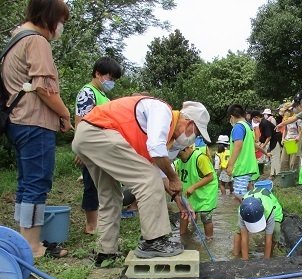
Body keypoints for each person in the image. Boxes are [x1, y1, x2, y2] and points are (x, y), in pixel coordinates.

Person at [72, 96, 211, 263]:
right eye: (195, 134)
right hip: (99, 130)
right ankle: (153, 242)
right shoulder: (162, 111)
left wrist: (177, 198)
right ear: (190, 124)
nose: (192, 140)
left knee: (110, 196)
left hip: (86, 136)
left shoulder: (169, 139)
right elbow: (156, 157)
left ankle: (105, 252)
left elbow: (160, 171)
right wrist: (175, 178)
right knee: (147, 179)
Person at [2, 0, 73, 258]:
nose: (61, 27)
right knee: (37, 183)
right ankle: (32, 245)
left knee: (25, 184)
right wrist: (64, 114)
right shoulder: (37, 41)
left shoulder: (16, 38)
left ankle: (23, 239)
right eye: (61, 21)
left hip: (17, 121)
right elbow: (44, 88)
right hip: (34, 122)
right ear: (49, 17)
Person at [74, 57, 122, 235]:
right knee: (91, 185)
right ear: (98, 74)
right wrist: (80, 149)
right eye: (111, 78)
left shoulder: (103, 95)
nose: (112, 83)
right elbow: (81, 120)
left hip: (102, 148)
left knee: (101, 186)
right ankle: (91, 225)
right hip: (91, 146)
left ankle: (100, 223)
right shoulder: (87, 92)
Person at [226, 104, 269, 203]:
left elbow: (238, 145)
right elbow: (253, 144)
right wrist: (266, 153)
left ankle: (254, 214)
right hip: (250, 167)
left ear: (232, 117)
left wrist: (231, 165)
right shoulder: (248, 127)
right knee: (250, 193)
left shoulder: (238, 127)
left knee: (240, 195)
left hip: (242, 168)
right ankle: (257, 214)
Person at [175, 145, 218, 240]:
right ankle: (183, 237)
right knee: (185, 213)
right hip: (191, 192)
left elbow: (210, 177)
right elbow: (178, 177)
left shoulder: (200, 158)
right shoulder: (179, 161)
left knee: (206, 217)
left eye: (179, 154)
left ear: (186, 148)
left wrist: (194, 187)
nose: (178, 157)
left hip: (206, 193)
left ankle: (209, 239)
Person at [234, 187, 284, 260]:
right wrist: (245, 261)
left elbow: (268, 239)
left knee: (276, 230)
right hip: (251, 206)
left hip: (273, 208)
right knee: (239, 231)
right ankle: (236, 254)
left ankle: (270, 253)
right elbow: (244, 238)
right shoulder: (242, 211)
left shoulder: (269, 211)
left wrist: (265, 261)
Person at [251, 110, 282, 180]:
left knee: (275, 157)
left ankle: (277, 174)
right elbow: (263, 137)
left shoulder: (265, 123)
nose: (253, 120)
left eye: (253, 118)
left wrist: (263, 146)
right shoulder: (261, 124)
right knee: (273, 157)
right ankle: (273, 174)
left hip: (276, 139)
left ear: (256, 117)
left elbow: (269, 136)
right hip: (272, 140)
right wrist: (258, 144)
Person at [280, 102, 300, 172]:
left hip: (294, 142)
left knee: (293, 163)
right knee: (283, 161)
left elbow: (301, 130)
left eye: (287, 111)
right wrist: (283, 138)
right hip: (287, 141)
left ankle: (295, 179)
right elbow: (285, 130)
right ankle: (285, 177)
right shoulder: (285, 119)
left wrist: (298, 137)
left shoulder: (297, 118)